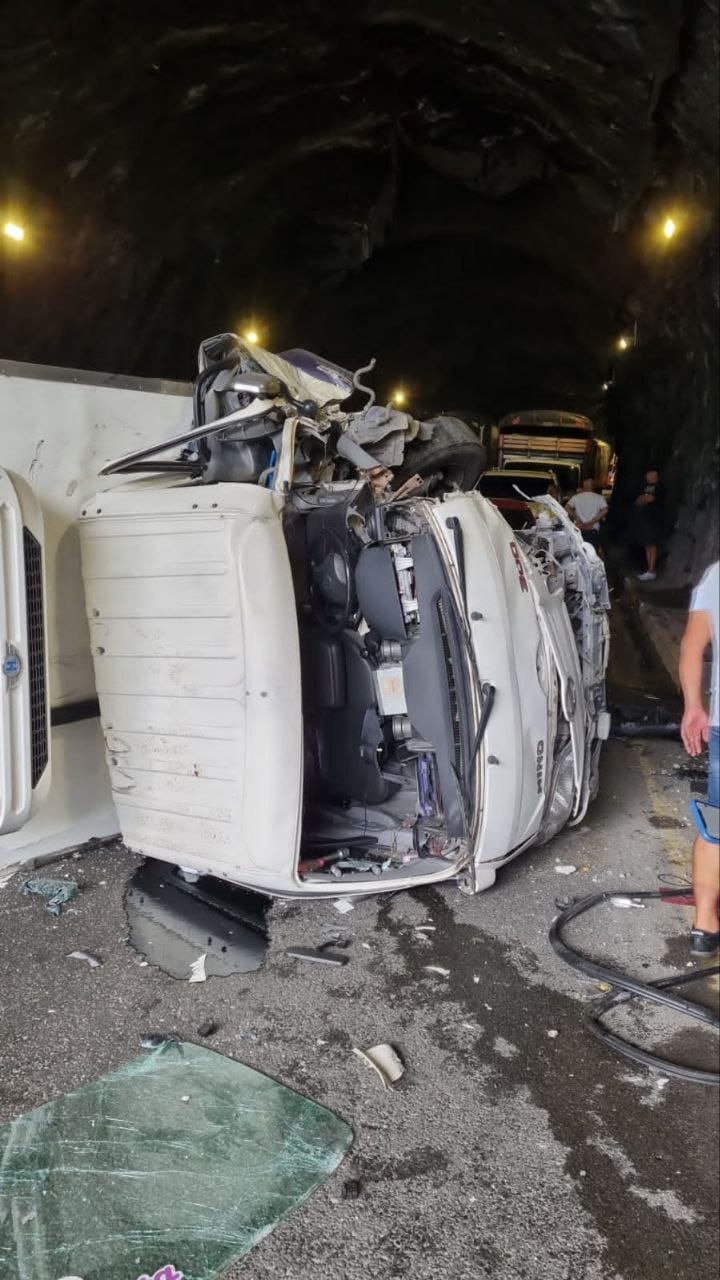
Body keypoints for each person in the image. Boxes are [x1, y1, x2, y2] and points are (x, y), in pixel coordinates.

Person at [679, 559, 720, 955]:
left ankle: (704, 926)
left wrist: (694, 706)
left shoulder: (717, 575)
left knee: (717, 822)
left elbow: (693, 647)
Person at [634, 467, 665, 581]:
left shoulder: (660, 487)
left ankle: (651, 571)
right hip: (645, 519)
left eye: (652, 474)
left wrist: (644, 498)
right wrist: (644, 498)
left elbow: (650, 498)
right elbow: (637, 501)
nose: (649, 476)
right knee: (647, 544)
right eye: (648, 474)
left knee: (652, 544)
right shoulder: (644, 486)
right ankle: (649, 569)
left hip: (654, 520)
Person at [565, 478, 608, 550]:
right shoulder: (599, 497)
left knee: (577, 553)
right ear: (593, 486)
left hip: (578, 530)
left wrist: (577, 519)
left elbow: (567, 508)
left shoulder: (576, 497)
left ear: (584, 486)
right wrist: (592, 522)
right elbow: (605, 510)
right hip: (592, 531)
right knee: (591, 553)